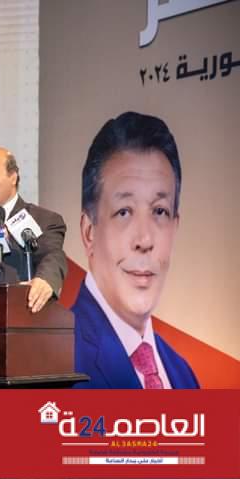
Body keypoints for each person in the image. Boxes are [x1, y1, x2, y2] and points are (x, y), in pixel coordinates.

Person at [73, 111, 199, 389]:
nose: (144, 240)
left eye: (159, 211)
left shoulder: (183, 374)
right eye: (124, 212)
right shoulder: (53, 362)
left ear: (175, 228)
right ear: (89, 232)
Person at [0, 146, 68, 313]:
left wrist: (45, 280)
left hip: (16, 317)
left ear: (13, 177)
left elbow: (53, 256)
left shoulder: (42, 220)